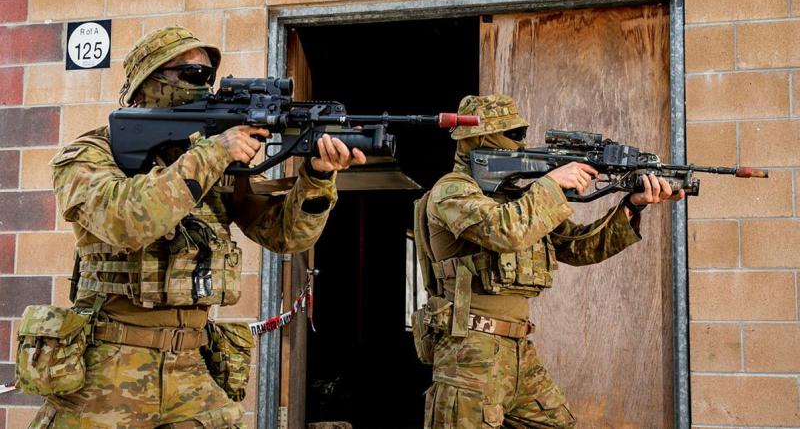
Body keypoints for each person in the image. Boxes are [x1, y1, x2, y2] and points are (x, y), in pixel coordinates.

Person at [28, 26, 365, 428]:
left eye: (208, 76)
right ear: (147, 82)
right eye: (191, 74)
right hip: (109, 364)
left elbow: (284, 235)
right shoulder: (91, 154)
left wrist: (317, 177)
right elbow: (124, 221)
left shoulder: (210, 159)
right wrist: (213, 154)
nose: (204, 86)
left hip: (192, 363)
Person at [416, 94, 683, 428]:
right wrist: (552, 183)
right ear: (479, 140)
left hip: (517, 349)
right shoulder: (453, 190)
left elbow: (580, 247)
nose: (519, 143)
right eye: (511, 134)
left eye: (520, 133)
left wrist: (632, 205)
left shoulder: (517, 198)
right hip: (469, 352)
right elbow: (505, 230)